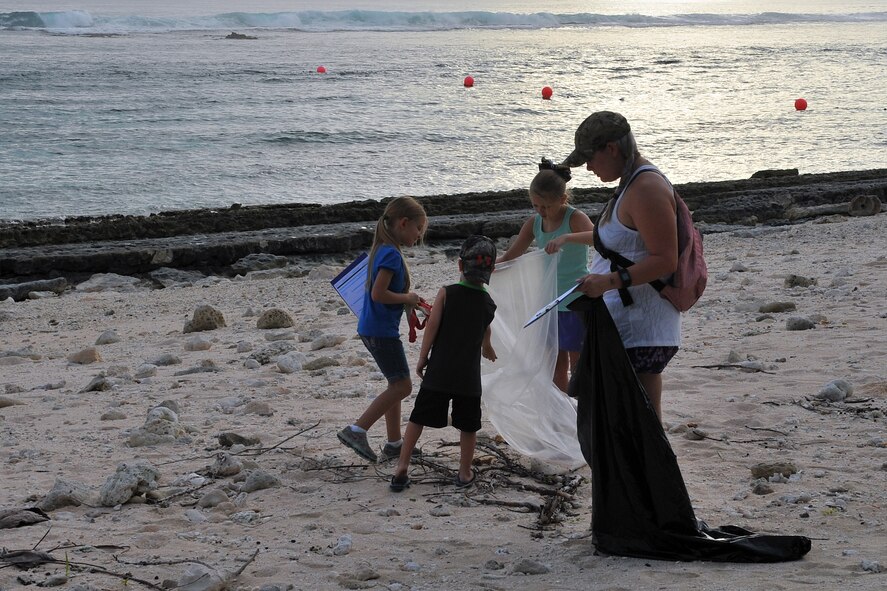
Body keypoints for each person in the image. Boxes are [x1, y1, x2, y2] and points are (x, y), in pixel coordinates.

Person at [561, 111, 680, 421]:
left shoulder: (646, 188)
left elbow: (666, 258)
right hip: (625, 326)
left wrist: (608, 282)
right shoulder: (630, 184)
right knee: (620, 426)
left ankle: (647, 471)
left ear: (611, 149)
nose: (588, 167)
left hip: (642, 332)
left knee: (638, 427)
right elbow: (619, 242)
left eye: (590, 158)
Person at [390, 235, 498, 491]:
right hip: (468, 377)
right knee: (468, 425)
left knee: (418, 417)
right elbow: (486, 333)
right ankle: (464, 472)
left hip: (439, 370)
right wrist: (488, 349)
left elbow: (433, 327)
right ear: (491, 270)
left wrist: (423, 357)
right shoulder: (488, 303)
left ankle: (402, 467)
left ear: (460, 265)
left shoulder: (446, 293)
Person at [338, 196, 427, 463]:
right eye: (418, 229)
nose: (419, 236)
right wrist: (408, 299)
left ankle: (394, 443)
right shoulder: (390, 253)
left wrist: (410, 303)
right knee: (402, 387)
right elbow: (379, 294)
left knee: (395, 384)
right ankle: (357, 430)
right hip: (380, 332)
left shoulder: (382, 249)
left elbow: (383, 293)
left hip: (373, 328)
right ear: (403, 223)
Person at [497, 167, 595, 392]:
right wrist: (489, 268)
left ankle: (581, 409)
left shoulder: (574, 217)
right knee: (554, 365)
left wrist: (567, 237)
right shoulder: (534, 222)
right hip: (549, 303)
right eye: (536, 206)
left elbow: (598, 238)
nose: (541, 211)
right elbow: (512, 255)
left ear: (562, 199)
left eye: (546, 206)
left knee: (578, 364)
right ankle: (562, 410)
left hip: (575, 299)